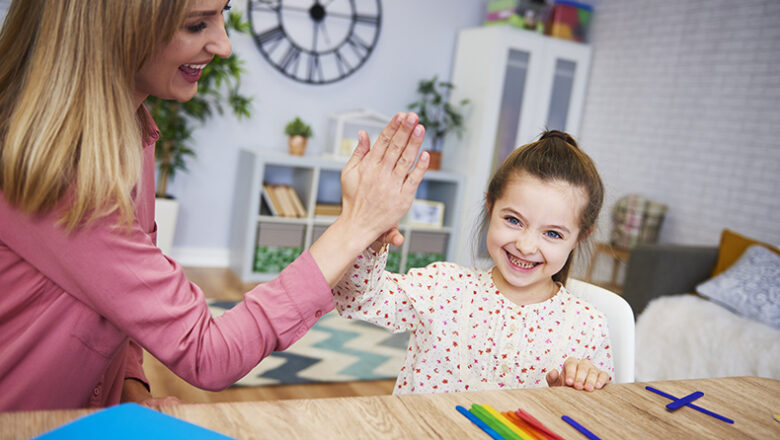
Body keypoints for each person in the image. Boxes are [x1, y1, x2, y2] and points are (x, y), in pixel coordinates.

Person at [0, 0, 428, 411]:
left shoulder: (131, 134)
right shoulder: (61, 172)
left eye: (223, 13)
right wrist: (353, 227)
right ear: (113, 27)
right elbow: (209, 351)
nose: (224, 45)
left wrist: (131, 391)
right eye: (195, 24)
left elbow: (122, 300)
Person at [333, 130, 612, 394]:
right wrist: (368, 235)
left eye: (552, 234)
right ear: (490, 206)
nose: (526, 246)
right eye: (513, 220)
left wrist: (571, 397)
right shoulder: (442, 286)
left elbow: (595, 416)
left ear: (580, 237)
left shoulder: (588, 326)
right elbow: (358, 300)